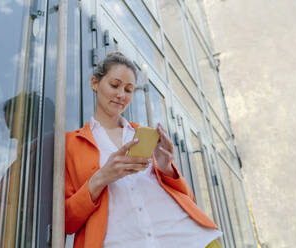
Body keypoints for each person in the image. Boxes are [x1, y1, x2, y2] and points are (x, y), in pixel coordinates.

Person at [65, 52, 223, 248]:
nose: (121, 95)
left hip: (190, 238)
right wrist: (101, 177)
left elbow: (188, 199)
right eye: (114, 85)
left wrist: (166, 168)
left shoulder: (145, 135)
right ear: (95, 83)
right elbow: (67, 220)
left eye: (129, 89)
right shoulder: (71, 144)